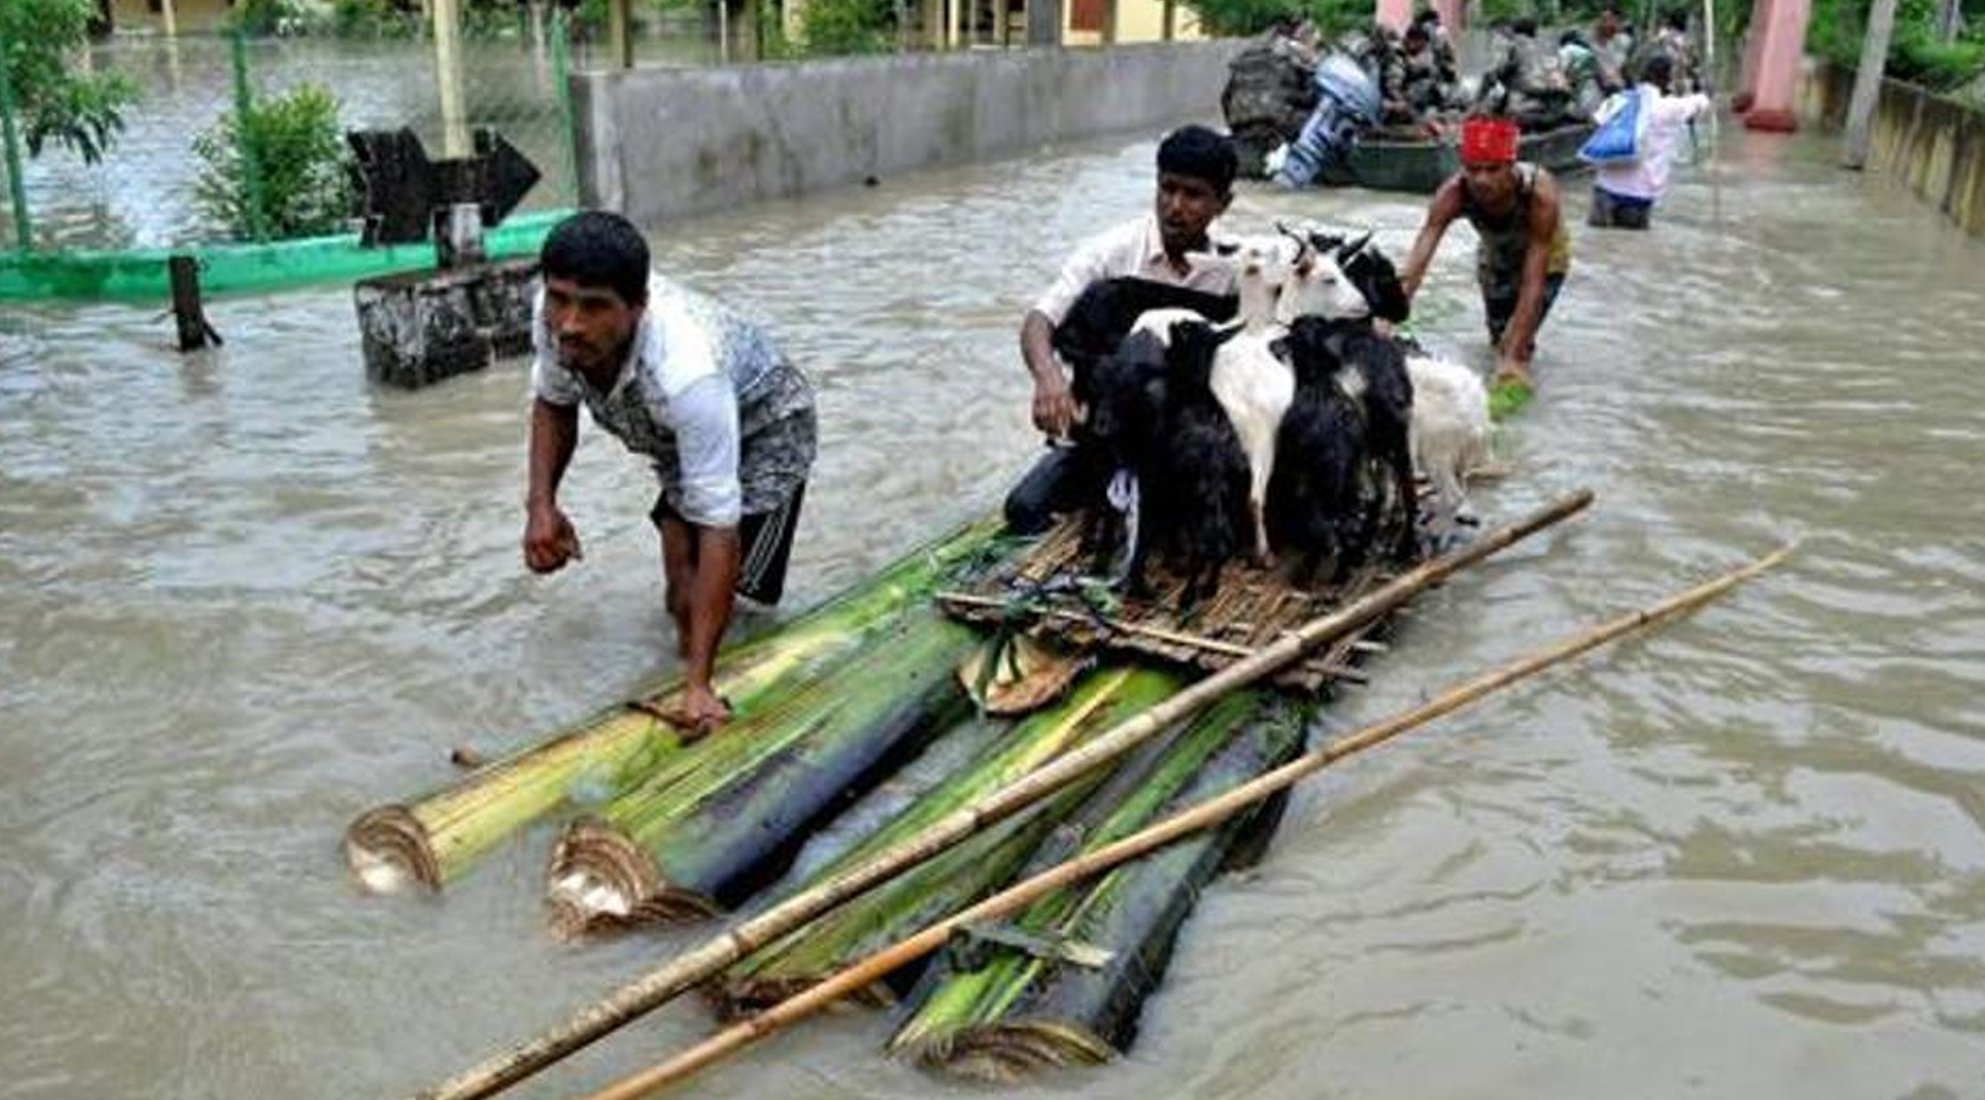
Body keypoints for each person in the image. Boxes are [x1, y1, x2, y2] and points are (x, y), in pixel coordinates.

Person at [522, 211, 818, 735]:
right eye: (561, 298)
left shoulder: (686, 373)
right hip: (677, 441)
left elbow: (718, 528)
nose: (570, 323)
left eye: (594, 307)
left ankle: (712, 684)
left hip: (766, 430)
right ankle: (687, 657)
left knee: (736, 604)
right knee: (678, 601)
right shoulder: (553, 321)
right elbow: (553, 402)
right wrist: (542, 506)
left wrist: (700, 685)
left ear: (637, 308)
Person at [1005, 125, 1239, 534]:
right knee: (1025, 509)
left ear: (1223, 203)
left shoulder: (1237, 268)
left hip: (1191, 445)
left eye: (1194, 195)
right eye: (1167, 189)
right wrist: (1048, 378)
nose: (1175, 207)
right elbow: (1040, 321)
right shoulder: (1109, 253)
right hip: (1104, 438)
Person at [1398, 116, 1571, 398]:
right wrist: (1388, 313)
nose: (1482, 179)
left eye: (1493, 169)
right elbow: (1419, 259)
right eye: (1473, 169)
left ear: (1511, 164)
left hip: (1547, 259)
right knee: (1497, 339)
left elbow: (1533, 280)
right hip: (1496, 254)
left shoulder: (1539, 194)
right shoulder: (1453, 193)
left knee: (1516, 345)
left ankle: (1521, 378)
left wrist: (1514, 356)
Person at [1589, 54, 1712, 229]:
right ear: (1665, 79)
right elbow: (1701, 103)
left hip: (1604, 187)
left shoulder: (1620, 99)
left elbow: (1595, 122)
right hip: (1638, 193)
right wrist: (1703, 89)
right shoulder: (1669, 107)